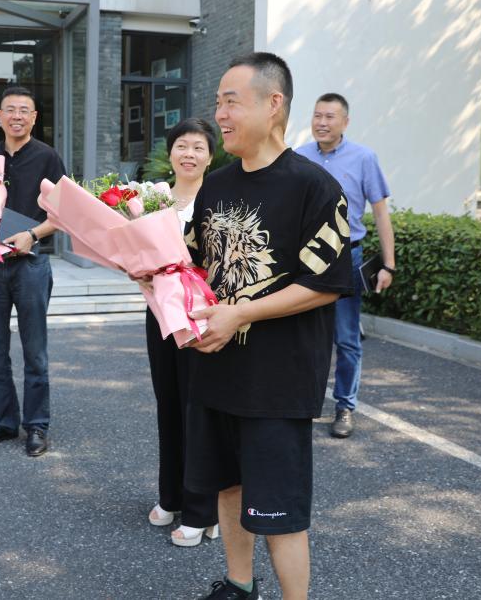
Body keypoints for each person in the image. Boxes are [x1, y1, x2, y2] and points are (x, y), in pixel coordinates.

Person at [183, 53, 353, 600]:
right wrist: (151, 277)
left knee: (280, 511)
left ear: (273, 103)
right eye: (218, 103)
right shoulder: (215, 186)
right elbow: (194, 267)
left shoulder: (314, 187)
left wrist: (242, 312)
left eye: (231, 102)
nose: (220, 114)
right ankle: (238, 585)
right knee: (228, 488)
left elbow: (326, 283)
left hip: (278, 381)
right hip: (217, 369)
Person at [0, 86, 65, 458]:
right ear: (0, 116)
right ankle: (4, 422)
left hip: (31, 265)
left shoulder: (48, 157)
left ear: (34, 117)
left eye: (25, 110)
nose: (17, 116)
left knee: (35, 352)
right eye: (10, 109)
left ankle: (36, 426)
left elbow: (65, 213)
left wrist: (32, 235)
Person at [296, 93, 395, 439]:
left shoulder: (364, 158)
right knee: (305, 335)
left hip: (347, 256)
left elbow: (381, 214)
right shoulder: (298, 157)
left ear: (345, 122)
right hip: (306, 258)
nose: (322, 123)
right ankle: (303, 403)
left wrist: (389, 265)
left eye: (330, 116)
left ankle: (345, 406)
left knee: (347, 337)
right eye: (317, 115)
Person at [144, 118, 220, 547]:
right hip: (160, 315)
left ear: (210, 156)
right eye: (182, 146)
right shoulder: (151, 200)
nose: (189, 154)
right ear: (170, 152)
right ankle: (170, 495)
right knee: (168, 404)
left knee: (199, 410)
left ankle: (202, 509)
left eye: (198, 147)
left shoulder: (219, 199)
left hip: (202, 315)